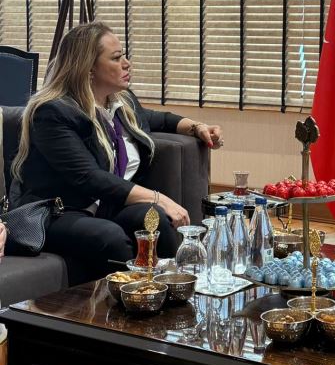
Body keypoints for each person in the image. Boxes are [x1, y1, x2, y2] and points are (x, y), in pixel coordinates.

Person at [10, 21, 224, 285]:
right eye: (116, 57)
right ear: (88, 68)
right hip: (59, 211)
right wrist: (160, 198)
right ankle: (132, 302)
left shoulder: (120, 102)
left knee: (157, 221)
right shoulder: (53, 112)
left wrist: (196, 127)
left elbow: (157, 119)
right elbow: (89, 177)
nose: (127, 63)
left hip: (106, 206)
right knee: (110, 237)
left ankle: (176, 294)